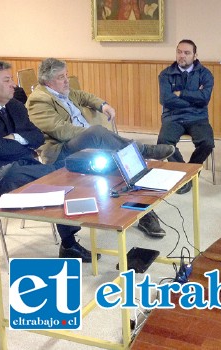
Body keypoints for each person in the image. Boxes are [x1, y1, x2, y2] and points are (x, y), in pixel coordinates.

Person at [0, 59, 99, 262]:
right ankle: (61, 173)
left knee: (53, 180)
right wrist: (22, 144)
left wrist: (16, 138)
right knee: (52, 176)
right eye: (7, 80)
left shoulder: (13, 105)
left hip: (17, 165)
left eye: (11, 79)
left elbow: (37, 137)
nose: (14, 84)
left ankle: (69, 243)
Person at [26, 57, 174, 237]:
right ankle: (143, 151)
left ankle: (144, 213)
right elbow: (61, 131)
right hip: (61, 152)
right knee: (100, 137)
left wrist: (103, 105)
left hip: (85, 145)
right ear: (47, 81)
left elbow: (84, 96)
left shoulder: (63, 91)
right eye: (61, 77)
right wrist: (89, 134)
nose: (66, 80)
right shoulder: (38, 101)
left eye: (66, 75)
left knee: (119, 161)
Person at [157, 39, 215, 194]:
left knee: (207, 142)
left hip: (198, 118)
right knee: (163, 142)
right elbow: (165, 99)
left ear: (195, 56)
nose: (182, 56)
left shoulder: (205, 74)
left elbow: (205, 98)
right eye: (179, 52)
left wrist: (181, 94)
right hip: (173, 117)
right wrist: (193, 100)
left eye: (187, 53)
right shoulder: (166, 74)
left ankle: (191, 171)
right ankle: (184, 173)